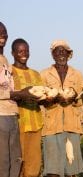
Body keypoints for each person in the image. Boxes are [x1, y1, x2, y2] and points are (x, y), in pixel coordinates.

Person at [40, 40, 83, 177]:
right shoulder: (44, 74)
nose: (61, 54)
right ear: (53, 55)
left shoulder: (77, 74)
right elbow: (40, 100)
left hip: (72, 126)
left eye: (64, 51)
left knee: (72, 170)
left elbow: (81, 101)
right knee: (53, 170)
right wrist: (53, 99)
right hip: (51, 126)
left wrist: (74, 98)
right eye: (58, 51)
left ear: (68, 54)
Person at [0, 22, 39, 177]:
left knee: (15, 161)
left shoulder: (4, 61)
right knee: (3, 162)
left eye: (4, 33)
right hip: (1, 116)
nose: (2, 36)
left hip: (12, 115)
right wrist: (19, 94)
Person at [11, 38, 43, 177]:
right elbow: (7, 95)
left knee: (34, 165)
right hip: (17, 125)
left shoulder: (36, 74)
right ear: (13, 53)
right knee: (17, 164)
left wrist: (48, 97)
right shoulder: (9, 72)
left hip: (35, 124)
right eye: (20, 51)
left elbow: (41, 96)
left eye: (26, 51)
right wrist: (23, 94)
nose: (24, 54)